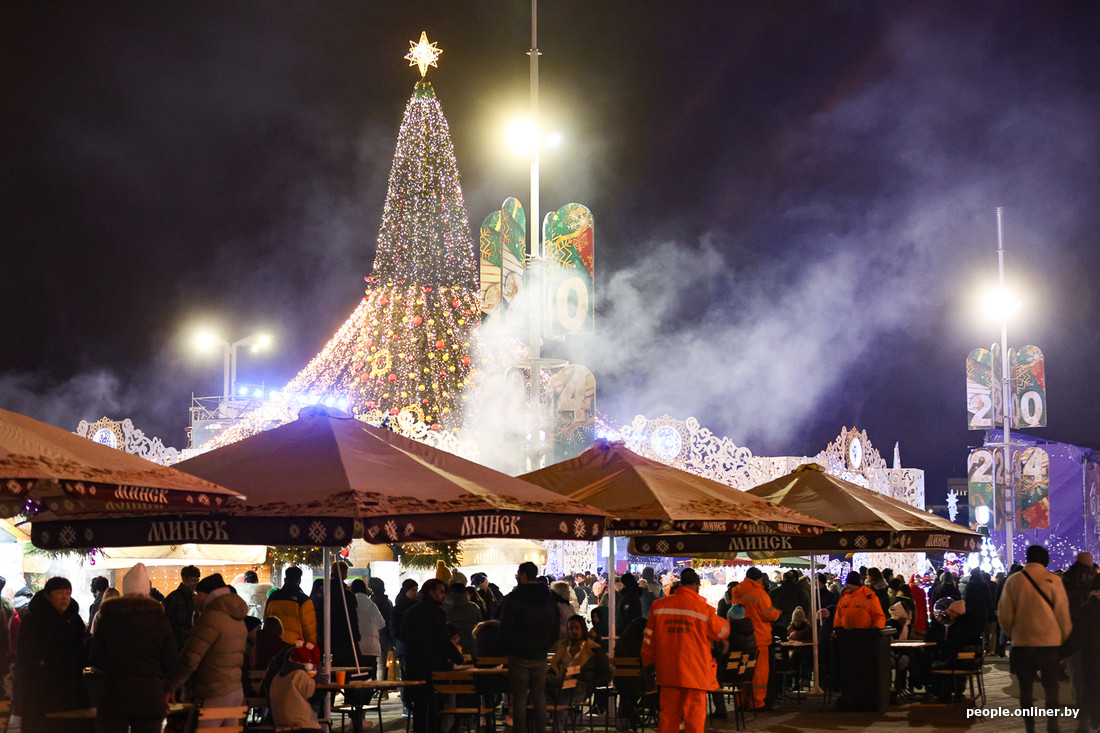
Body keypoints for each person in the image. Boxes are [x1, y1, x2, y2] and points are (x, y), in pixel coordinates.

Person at [89, 563, 179, 733]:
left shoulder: (109, 618)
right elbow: (171, 662)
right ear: (147, 591)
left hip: (114, 694)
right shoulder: (159, 620)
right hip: (151, 696)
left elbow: (96, 660)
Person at [641, 568, 728, 733]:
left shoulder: (659, 606)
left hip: (668, 672)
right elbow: (722, 632)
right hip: (696, 673)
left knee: (668, 716)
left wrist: (649, 663)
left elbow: (648, 640)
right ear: (696, 585)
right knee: (694, 717)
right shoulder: (704, 609)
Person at [999, 545, 1073, 733]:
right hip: (1049, 642)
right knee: (1051, 686)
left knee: (1026, 688)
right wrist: (1064, 637)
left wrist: (1013, 633)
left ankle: (1030, 726)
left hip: (1023, 642)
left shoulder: (1014, 581)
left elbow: (1005, 614)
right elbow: (1063, 613)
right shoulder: (1053, 580)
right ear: (1044, 559)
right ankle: (1052, 723)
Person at [169, 573, 250, 729]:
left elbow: (191, 658)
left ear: (209, 595)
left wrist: (172, 684)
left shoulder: (211, 617)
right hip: (235, 690)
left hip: (214, 690)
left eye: (198, 594)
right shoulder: (236, 617)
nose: (195, 598)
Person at [15, 576, 91, 733]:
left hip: (72, 688)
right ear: (47, 595)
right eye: (60, 593)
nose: (65, 597)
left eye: (68, 593)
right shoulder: (33, 620)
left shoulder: (74, 619)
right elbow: (26, 653)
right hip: (41, 689)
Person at [499, 561, 560, 733]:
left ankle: (520, 730)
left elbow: (506, 626)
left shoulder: (515, 598)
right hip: (540, 654)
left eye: (518, 573)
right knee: (539, 696)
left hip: (519, 654)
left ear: (524, 575)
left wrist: (508, 647)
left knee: (519, 698)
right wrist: (548, 644)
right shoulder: (548, 598)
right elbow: (556, 624)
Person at [403, 579, 464, 733]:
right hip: (433, 669)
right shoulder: (437, 614)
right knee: (433, 712)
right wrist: (458, 657)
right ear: (431, 592)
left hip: (414, 667)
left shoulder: (410, 612)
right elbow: (442, 640)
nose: (444, 596)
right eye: (441, 592)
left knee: (420, 713)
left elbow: (403, 636)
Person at [727, 567, 780, 710]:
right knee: (759, 673)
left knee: (743, 671)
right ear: (759, 579)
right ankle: (757, 703)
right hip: (759, 638)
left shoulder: (737, 591)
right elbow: (768, 614)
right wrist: (777, 614)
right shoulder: (759, 592)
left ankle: (741, 701)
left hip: (740, 637)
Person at [268, 641, 322, 733]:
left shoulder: (277, 677)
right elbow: (311, 692)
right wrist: (316, 676)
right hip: (300, 722)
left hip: (279, 720)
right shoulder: (299, 675)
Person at [264, 566, 317, 645]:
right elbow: (309, 629)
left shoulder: (272, 597)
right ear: (299, 581)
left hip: (273, 643)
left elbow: (266, 619)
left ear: (285, 580)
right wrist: (312, 645)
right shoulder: (303, 600)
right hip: (295, 646)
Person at [351, 578, 386, 676]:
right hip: (372, 647)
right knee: (370, 677)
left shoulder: (349, 603)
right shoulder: (371, 604)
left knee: (356, 676)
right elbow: (381, 623)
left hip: (355, 646)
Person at [162, 565, 201, 649]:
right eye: (193, 580)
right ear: (184, 579)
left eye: (198, 580)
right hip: (177, 644)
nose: (196, 584)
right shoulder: (174, 598)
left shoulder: (195, 598)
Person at [444, 573, 482, 656]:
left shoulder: (443, 608)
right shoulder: (474, 608)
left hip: (450, 647)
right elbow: (480, 627)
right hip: (471, 646)